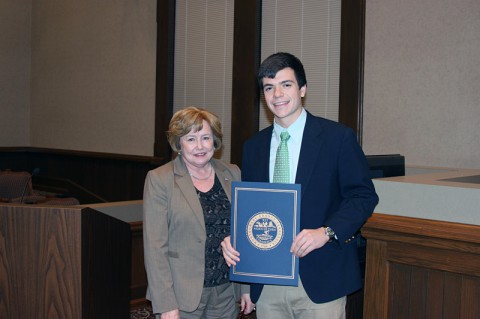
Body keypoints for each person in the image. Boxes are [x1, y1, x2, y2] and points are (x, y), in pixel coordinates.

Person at [221, 52, 379, 318]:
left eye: (286, 84)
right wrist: (243, 269)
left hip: (321, 279)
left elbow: (363, 196)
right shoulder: (253, 147)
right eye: (269, 87)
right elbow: (252, 210)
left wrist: (327, 232)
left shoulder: (337, 138)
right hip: (268, 282)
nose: (277, 94)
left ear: (302, 89)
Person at [143, 106, 255, 319]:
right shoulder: (160, 179)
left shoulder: (232, 173)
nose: (200, 146)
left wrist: (246, 288)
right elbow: (155, 247)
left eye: (206, 137)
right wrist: (166, 303)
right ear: (178, 143)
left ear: (215, 140)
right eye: (191, 139)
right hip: (181, 294)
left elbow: (244, 232)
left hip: (225, 292)